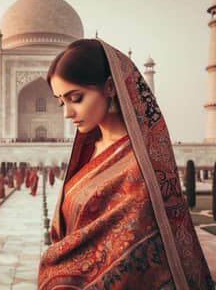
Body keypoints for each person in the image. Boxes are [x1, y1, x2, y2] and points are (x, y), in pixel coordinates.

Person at [38, 39, 213, 290]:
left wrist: (61, 270)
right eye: (60, 102)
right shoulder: (89, 151)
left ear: (110, 86)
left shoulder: (141, 167)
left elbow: (133, 256)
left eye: (76, 98)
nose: (67, 113)